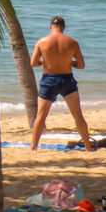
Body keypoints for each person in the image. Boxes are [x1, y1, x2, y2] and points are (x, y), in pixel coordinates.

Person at [29, 15, 94, 150]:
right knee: (77, 115)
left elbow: (33, 63)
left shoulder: (42, 42)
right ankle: (88, 147)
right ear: (63, 27)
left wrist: (44, 61)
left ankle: (33, 147)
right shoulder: (72, 42)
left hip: (49, 79)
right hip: (67, 79)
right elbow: (81, 65)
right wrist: (69, 62)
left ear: (50, 26)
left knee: (41, 115)